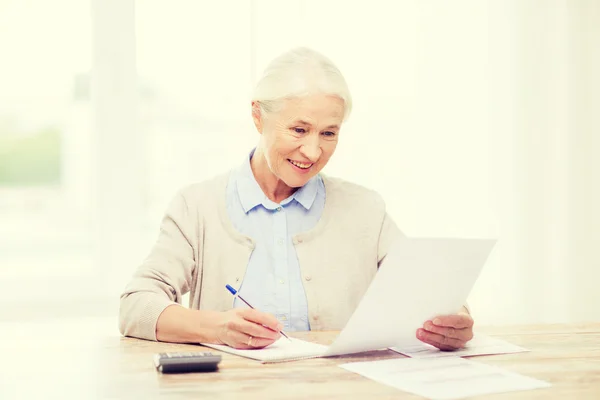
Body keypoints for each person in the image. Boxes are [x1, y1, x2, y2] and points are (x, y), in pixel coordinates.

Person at [119, 47, 474, 351]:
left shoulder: (366, 210)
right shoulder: (196, 207)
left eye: (329, 133)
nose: (313, 150)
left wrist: (454, 321)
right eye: (299, 129)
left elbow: (432, 292)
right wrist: (217, 327)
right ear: (258, 116)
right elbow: (136, 306)